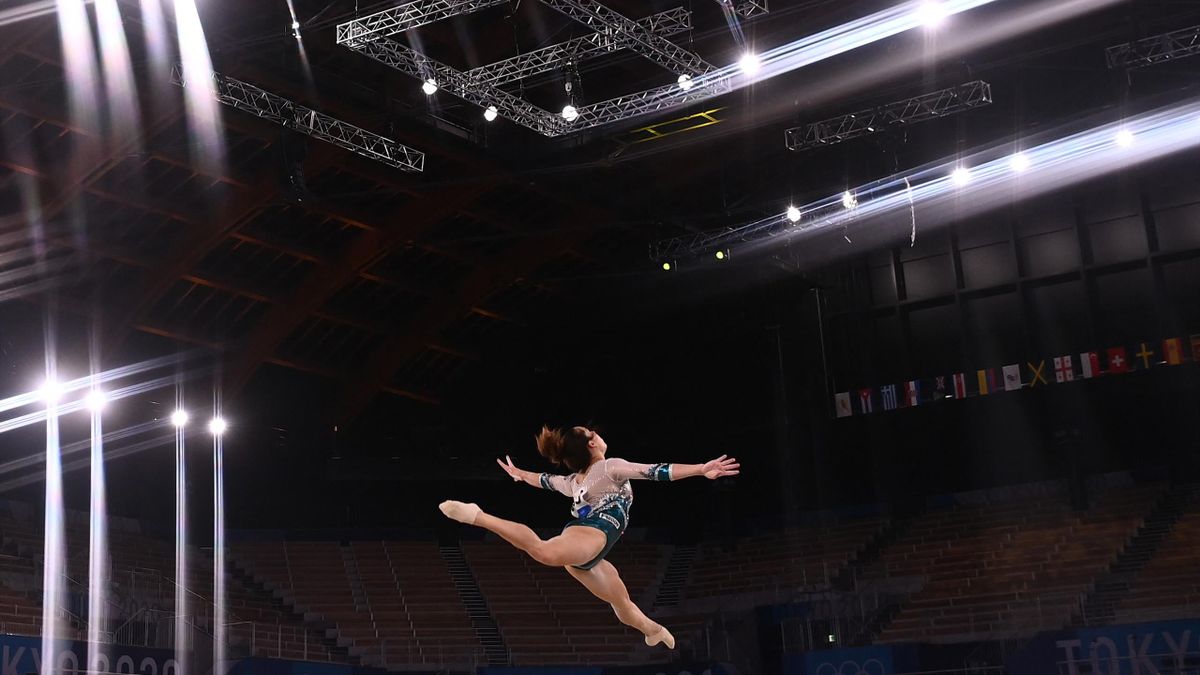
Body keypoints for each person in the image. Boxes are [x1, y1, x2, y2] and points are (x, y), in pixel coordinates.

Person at [439, 425, 740, 649]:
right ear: (592, 442)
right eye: (592, 431)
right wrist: (701, 469)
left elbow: (544, 481)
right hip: (591, 534)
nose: (597, 432)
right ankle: (478, 516)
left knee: (623, 607)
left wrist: (520, 474)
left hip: (590, 554)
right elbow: (655, 471)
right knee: (544, 552)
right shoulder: (610, 467)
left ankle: (653, 630)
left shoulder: (575, 481)